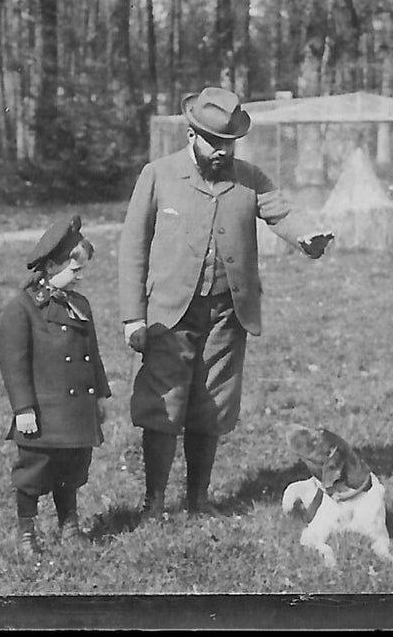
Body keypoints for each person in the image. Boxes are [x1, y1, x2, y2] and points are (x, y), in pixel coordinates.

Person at [118, 86, 333, 521]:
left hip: (226, 313)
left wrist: (306, 237)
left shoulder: (249, 178)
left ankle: (198, 499)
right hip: (169, 316)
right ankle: (154, 502)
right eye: (213, 142)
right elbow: (132, 247)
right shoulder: (158, 175)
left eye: (228, 144)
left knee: (212, 405)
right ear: (191, 135)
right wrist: (131, 316)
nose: (220, 152)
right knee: (164, 403)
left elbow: (282, 213)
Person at [0, 215, 111, 555]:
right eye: (74, 271)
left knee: (72, 469)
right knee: (33, 472)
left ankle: (69, 523)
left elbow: (92, 354)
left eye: (82, 271)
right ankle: (27, 531)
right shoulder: (23, 308)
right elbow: (13, 364)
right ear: (50, 266)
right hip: (43, 412)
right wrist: (23, 409)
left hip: (77, 410)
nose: (79, 278)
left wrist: (101, 396)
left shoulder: (80, 305)